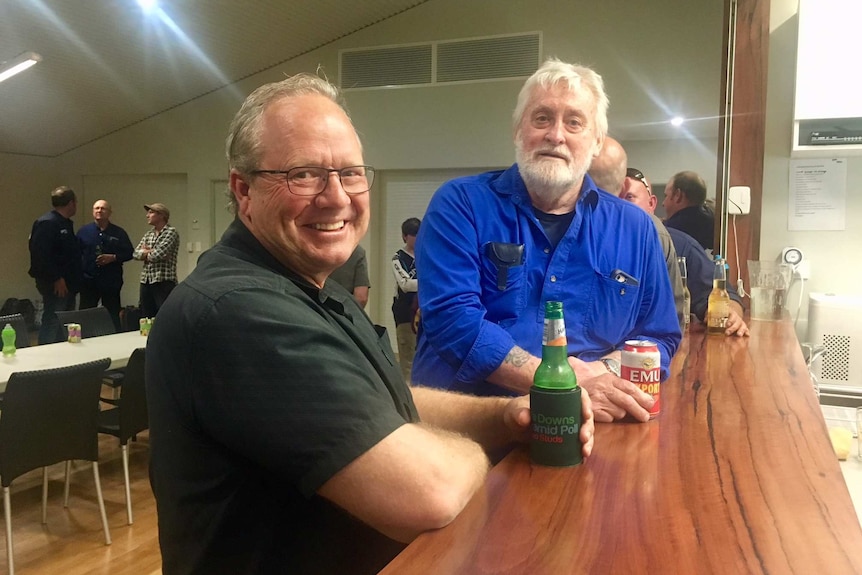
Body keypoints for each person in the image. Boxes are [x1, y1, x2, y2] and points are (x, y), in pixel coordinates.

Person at [145, 73, 594, 575]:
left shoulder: (317, 290)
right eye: (304, 174)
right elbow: (431, 493)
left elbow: (385, 399)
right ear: (243, 190)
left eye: (351, 173)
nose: (337, 197)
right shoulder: (237, 311)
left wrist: (505, 418)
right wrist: (474, 452)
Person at [412, 58, 681, 423]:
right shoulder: (460, 206)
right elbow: (452, 321)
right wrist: (564, 383)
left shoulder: (636, 229)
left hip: (595, 427)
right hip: (471, 428)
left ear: (597, 141)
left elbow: (657, 336)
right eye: (542, 118)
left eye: (574, 122)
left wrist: (600, 374)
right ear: (517, 130)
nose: (556, 134)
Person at [619, 168, 750, 336]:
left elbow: (722, 295)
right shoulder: (587, 243)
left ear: (651, 204)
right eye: (612, 198)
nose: (619, 205)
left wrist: (730, 315)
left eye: (629, 197)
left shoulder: (679, 245)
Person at [589, 137, 686, 331]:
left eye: (629, 198)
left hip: (635, 355)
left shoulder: (656, 235)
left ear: (652, 204)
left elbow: (668, 323)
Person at [28, 186, 82, 344]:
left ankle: (62, 356)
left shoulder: (64, 223)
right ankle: (46, 358)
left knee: (64, 323)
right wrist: (56, 278)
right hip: (57, 283)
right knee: (52, 320)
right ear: (72, 203)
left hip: (69, 282)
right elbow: (41, 255)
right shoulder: (47, 223)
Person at [76, 199, 134, 331]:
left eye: (103, 208)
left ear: (109, 212)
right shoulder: (83, 232)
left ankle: (114, 341)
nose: (99, 211)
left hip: (111, 281)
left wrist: (113, 257)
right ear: (93, 211)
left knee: (112, 313)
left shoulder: (119, 233)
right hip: (88, 281)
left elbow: (130, 253)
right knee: (85, 314)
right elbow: (75, 255)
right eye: (96, 208)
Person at [133, 203, 179, 317]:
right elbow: (135, 254)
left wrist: (146, 252)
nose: (147, 215)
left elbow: (158, 254)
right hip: (146, 280)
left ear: (161, 215)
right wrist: (149, 252)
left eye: (151, 212)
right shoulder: (148, 234)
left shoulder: (171, 232)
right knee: (146, 316)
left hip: (163, 281)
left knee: (165, 315)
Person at [392, 217, 420, 382]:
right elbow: (405, 284)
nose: (417, 238)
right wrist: (429, 282)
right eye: (413, 234)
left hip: (424, 311)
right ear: (405, 236)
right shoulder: (398, 258)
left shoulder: (427, 255)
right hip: (405, 312)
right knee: (408, 357)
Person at [662, 170, 715, 251]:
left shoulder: (667, 232)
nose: (663, 203)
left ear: (678, 195)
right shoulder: (712, 223)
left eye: (666, 196)